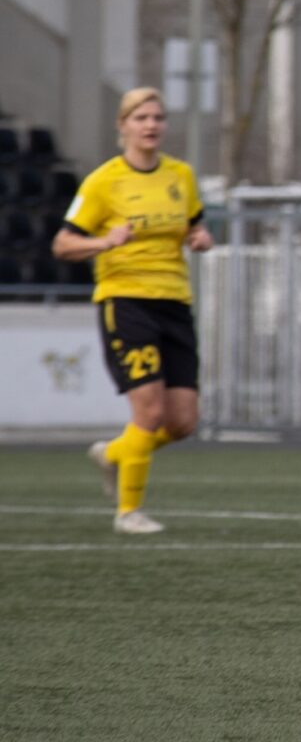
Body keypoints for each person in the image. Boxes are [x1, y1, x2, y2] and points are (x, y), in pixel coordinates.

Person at [52, 87, 213, 535]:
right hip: (126, 301)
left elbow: (194, 224)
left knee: (182, 422)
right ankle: (129, 512)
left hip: (174, 302)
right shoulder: (104, 181)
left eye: (157, 117)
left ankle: (114, 454)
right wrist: (104, 241)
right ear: (122, 125)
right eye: (141, 118)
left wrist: (200, 238)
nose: (151, 125)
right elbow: (63, 244)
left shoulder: (181, 175)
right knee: (150, 411)